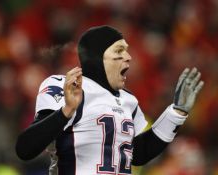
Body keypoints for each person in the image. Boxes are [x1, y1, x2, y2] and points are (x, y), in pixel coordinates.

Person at [15, 25, 204, 175]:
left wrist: (176, 113)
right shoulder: (67, 86)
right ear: (98, 57)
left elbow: (138, 154)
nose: (128, 57)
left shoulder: (128, 100)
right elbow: (26, 148)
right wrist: (66, 110)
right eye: (119, 50)